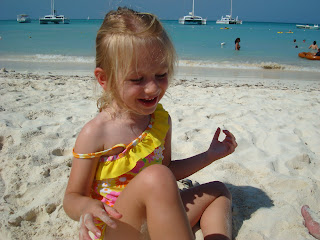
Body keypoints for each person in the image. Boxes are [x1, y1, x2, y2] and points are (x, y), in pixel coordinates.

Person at [63, 7, 237, 240]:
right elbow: (72, 196)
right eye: (137, 79)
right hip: (118, 228)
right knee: (157, 177)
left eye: (161, 74)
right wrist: (86, 208)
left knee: (218, 190)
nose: (153, 88)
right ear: (105, 79)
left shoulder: (160, 121)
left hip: (160, 218)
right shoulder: (96, 132)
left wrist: (209, 156)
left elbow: (168, 171)